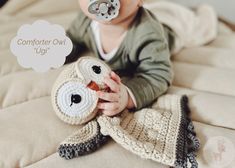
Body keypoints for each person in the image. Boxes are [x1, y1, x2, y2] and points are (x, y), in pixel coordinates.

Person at [64, 0, 174, 117]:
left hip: (174, 25)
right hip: (150, 10)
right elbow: (71, 40)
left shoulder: (148, 35)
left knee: (180, 19)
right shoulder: (85, 21)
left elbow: (158, 74)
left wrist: (126, 96)